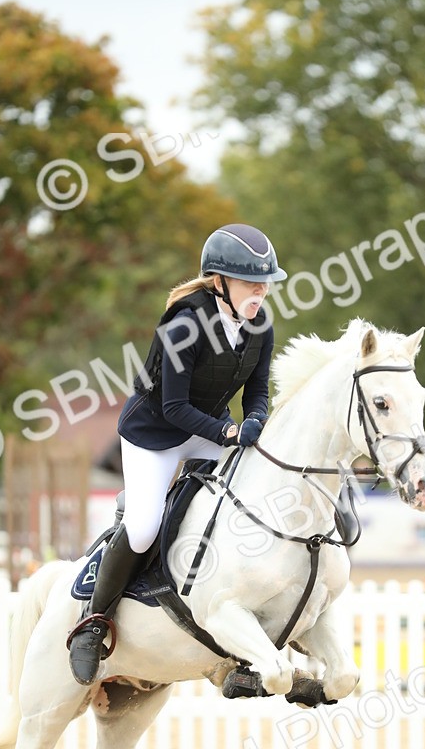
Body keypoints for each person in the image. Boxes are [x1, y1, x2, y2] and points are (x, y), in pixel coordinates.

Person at [66, 222, 287, 686]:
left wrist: (255, 419)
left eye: (265, 283)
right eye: (251, 283)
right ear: (220, 282)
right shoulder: (185, 325)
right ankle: (92, 622)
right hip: (155, 434)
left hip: (207, 428)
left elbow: (258, 391)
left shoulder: (260, 325)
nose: (261, 292)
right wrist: (230, 431)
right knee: (144, 528)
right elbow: (173, 407)